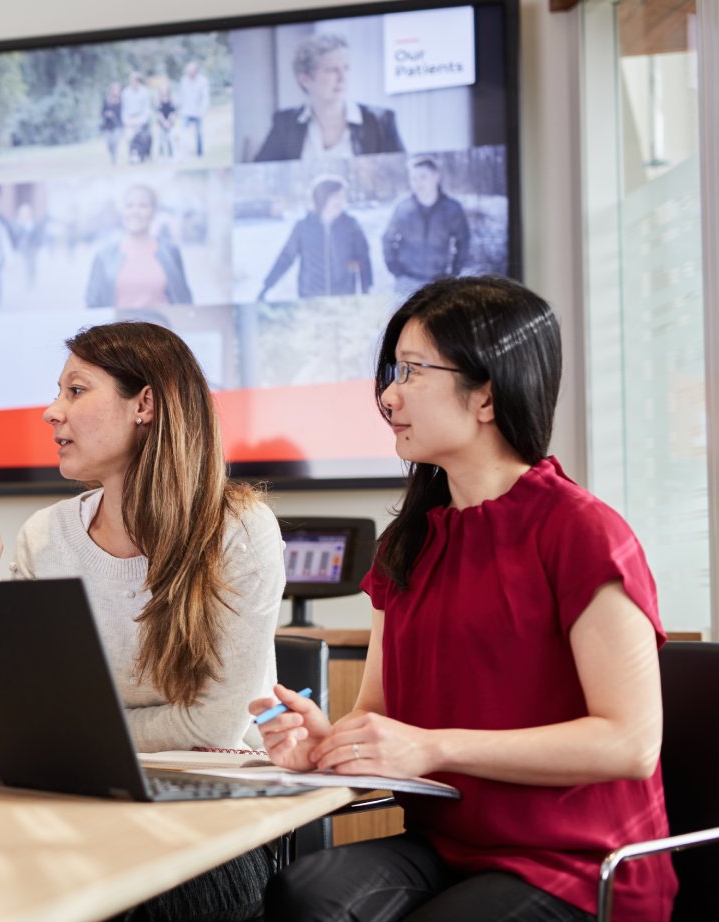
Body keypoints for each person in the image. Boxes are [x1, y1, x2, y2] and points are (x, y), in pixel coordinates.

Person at [256, 276, 677, 921]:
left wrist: (435, 747)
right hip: (449, 847)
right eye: (392, 371)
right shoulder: (407, 542)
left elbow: (628, 743)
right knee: (303, 894)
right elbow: (380, 714)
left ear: (486, 394)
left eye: (412, 371)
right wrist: (327, 746)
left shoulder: (582, 531)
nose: (388, 396)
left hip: (581, 863)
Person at [0, 321, 284, 919]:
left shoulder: (239, 531)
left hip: (211, 811)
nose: (50, 412)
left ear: (144, 404)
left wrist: (75, 736)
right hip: (75, 798)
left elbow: (217, 722)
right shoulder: (47, 535)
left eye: (75, 390)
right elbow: (13, 718)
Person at [255, 33, 404, 162]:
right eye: (332, 70)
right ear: (305, 78)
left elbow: (403, 176)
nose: (343, 78)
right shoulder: (285, 123)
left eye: (346, 68)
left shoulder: (381, 120)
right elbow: (258, 176)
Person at [259, 175, 372, 299]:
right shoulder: (303, 227)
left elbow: (363, 257)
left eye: (343, 197)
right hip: (310, 297)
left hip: (344, 296)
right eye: (337, 197)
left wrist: (366, 289)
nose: (342, 201)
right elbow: (286, 258)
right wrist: (267, 286)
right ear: (323, 198)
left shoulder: (351, 224)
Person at [86, 184, 192, 308]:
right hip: (118, 327)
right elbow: (92, 304)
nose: (135, 211)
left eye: (143, 205)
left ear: (154, 211)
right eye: (129, 206)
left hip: (160, 326)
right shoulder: (104, 255)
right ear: (122, 211)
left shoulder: (170, 252)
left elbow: (184, 300)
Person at [382, 156, 472, 294]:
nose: (418, 183)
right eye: (413, 178)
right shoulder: (402, 207)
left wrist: (454, 273)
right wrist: (396, 270)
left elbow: (463, 241)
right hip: (406, 282)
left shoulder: (452, 208)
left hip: (438, 283)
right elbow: (387, 238)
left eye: (423, 177)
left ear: (436, 176)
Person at [177, 61, 210, 157]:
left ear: (195, 71)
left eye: (190, 71)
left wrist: (203, 109)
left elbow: (205, 97)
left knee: (199, 133)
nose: (189, 73)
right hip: (186, 111)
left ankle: (199, 153)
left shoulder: (203, 81)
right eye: (188, 71)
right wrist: (180, 109)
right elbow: (181, 96)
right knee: (184, 133)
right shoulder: (184, 81)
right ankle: (185, 152)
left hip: (198, 111)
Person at [120, 72, 153, 164]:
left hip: (140, 118)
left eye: (136, 81)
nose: (134, 83)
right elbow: (124, 108)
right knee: (129, 138)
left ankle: (142, 155)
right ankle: (132, 156)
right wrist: (126, 121)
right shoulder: (126, 93)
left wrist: (142, 120)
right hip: (130, 118)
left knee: (142, 138)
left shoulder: (144, 92)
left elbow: (146, 108)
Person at [100, 82, 124, 165]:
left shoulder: (121, 101)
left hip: (117, 126)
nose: (116, 91)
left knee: (115, 142)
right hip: (107, 126)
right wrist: (107, 114)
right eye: (114, 89)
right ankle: (112, 155)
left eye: (117, 89)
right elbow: (102, 112)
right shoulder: (106, 100)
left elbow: (123, 113)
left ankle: (114, 158)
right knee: (108, 143)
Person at [153, 82, 179, 159]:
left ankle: (171, 154)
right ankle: (161, 155)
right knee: (161, 139)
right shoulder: (158, 102)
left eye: (165, 89)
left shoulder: (172, 101)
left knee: (171, 139)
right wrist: (164, 122)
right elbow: (158, 114)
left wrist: (169, 122)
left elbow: (173, 113)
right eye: (162, 89)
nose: (164, 91)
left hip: (170, 124)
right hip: (161, 125)